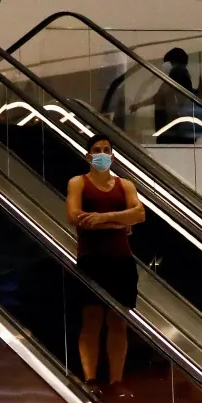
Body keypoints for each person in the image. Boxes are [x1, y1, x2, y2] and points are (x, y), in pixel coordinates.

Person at [65, 139, 145, 390]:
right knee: (91, 318)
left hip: (121, 261)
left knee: (118, 321)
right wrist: (121, 223)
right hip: (91, 260)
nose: (102, 155)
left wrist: (103, 218)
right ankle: (90, 378)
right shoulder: (78, 182)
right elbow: (74, 216)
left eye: (106, 151)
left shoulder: (126, 185)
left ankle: (116, 380)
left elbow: (140, 214)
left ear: (113, 156)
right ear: (89, 156)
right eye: (97, 151)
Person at [133, 47, 202, 144]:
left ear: (173, 62)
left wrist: (140, 105)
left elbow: (160, 97)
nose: (164, 66)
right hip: (178, 133)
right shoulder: (182, 78)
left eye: (167, 62)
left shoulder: (176, 78)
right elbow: (159, 97)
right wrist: (140, 105)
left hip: (171, 133)